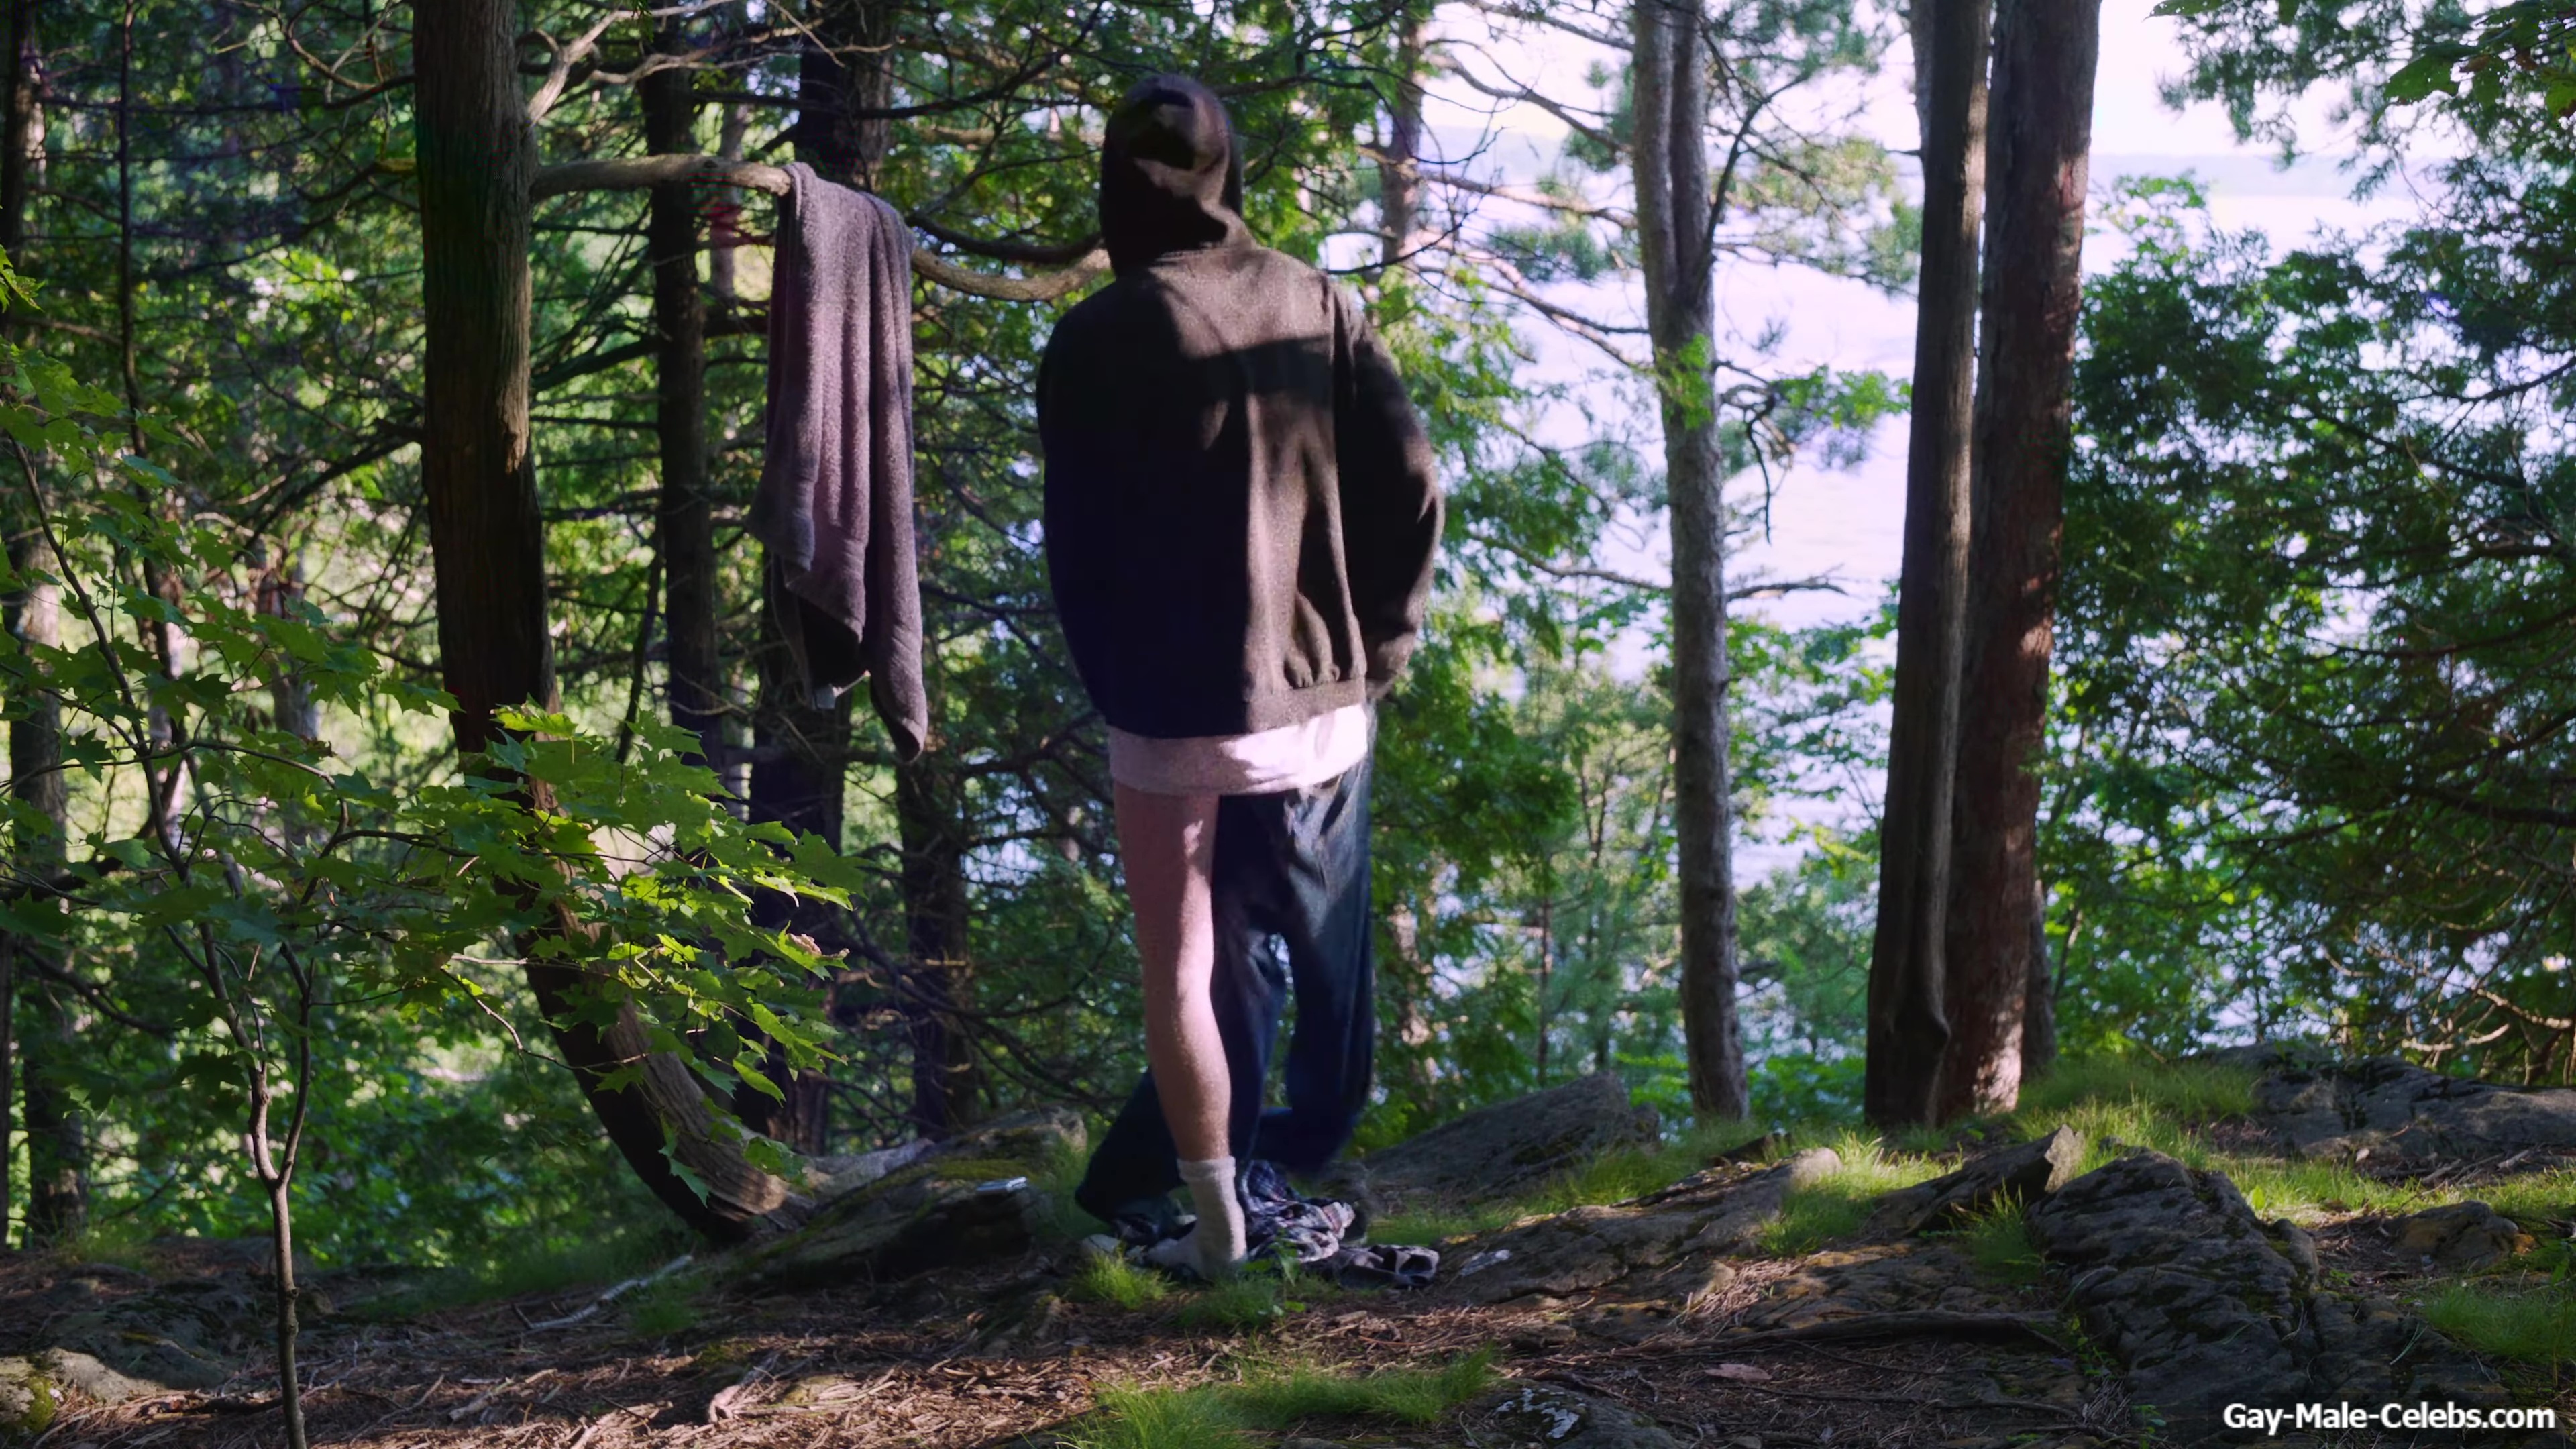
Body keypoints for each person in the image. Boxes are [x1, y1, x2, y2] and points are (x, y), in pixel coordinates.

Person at [1036, 74, 1443, 1280]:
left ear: (1117, 188)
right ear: (1230, 174)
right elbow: (1411, 485)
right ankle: (1278, 1168)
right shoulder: (1315, 302)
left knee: (1193, 974)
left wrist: (1119, 685)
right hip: (1316, 706)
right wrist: (1381, 648)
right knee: (1323, 976)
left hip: (1167, 718)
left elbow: (1077, 544)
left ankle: (1209, 1221)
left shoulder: (1092, 339)